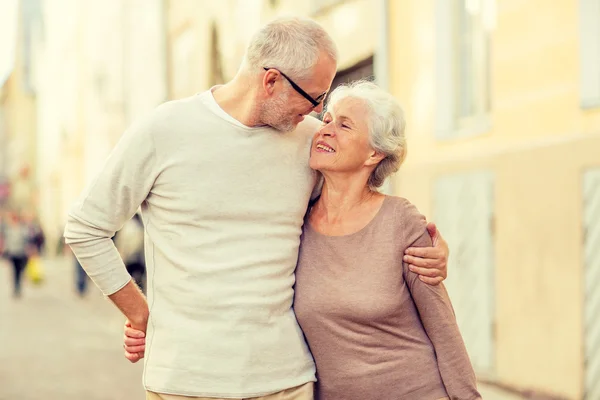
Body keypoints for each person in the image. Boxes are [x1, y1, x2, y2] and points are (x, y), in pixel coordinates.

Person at [65, 17, 449, 400]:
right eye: (314, 97)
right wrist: (141, 313)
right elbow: (86, 228)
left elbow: (356, 215)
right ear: (271, 81)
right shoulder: (163, 130)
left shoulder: (312, 142)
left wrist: (421, 250)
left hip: (285, 381)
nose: (318, 111)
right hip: (185, 382)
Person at [293, 81, 480, 399]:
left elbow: (443, 327)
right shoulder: (295, 223)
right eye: (326, 120)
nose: (326, 130)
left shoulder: (400, 220)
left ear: (373, 154)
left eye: (344, 124)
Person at [3, 211, 31, 298]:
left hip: (21, 253)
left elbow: (26, 239)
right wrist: (5, 252)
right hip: (12, 253)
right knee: (14, 271)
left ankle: (18, 286)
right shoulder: (8, 229)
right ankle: (16, 288)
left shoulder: (22, 228)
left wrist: (28, 249)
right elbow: (7, 241)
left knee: (20, 271)